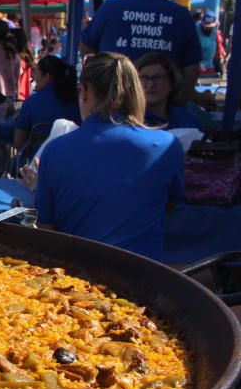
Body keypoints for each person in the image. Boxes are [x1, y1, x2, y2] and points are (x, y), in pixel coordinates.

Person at [35, 52, 184, 261]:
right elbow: (169, 205)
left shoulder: (55, 150)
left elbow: (46, 229)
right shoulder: (167, 145)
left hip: (74, 283)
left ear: (84, 91)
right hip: (145, 283)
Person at [80, 0, 201, 93]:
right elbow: (192, 70)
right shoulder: (182, 15)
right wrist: (179, 103)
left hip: (116, 101)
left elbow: (85, 47)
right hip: (162, 104)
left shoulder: (111, 8)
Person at [12, 55, 80, 151]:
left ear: (47, 77)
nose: (33, 76)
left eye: (36, 72)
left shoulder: (31, 102)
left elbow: (18, 143)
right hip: (69, 160)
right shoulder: (77, 101)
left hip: (35, 162)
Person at [134, 52, 203, 131]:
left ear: (172, 83)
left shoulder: (184, 117)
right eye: (144, 78)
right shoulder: (129, 121)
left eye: (158, 78)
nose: (150, 85)